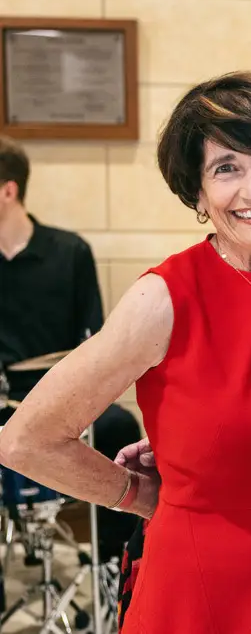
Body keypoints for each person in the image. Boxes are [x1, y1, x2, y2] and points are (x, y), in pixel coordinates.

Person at [0, 71, 251, 633]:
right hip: (203, 587)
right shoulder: (161, 300)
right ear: (197, 193)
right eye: (226, 168)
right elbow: (26, 440)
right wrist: (134, 494)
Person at [0, 134, 142, 560]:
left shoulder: (69, 252)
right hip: (2, 403)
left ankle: (115, 563)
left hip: (60, 399)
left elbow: (95, 342)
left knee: (118, 425)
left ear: (9, 191)